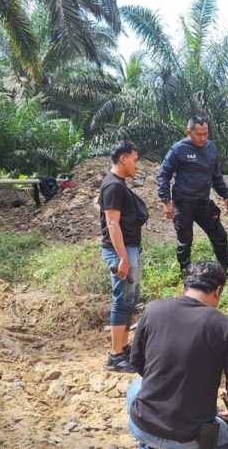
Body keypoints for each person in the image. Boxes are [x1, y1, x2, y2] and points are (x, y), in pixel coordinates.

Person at [127, 261, 228, 449]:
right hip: (189, 438)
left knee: (136, 387)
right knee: (226, 435)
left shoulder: (154, 309)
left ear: (185, 286)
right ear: (218, 290)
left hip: (143, 426)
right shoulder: (227, 327)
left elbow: (137, 362)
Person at [158, 115, 228, 275]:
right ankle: (185, 273)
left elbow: (216, 175)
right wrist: (166, 201)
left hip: (203, 202)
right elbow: (164, 174)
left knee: (219, 235)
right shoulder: (178, 149)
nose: (203, 138)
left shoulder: (211, 148)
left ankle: (226, 268)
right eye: (199, 134)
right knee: (185, 241)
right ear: (188, 132)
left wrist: (225, 194)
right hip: (183, 202)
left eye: (206, 134)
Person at [99, 141, 148, 373]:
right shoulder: (113, 186)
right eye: (134, 160)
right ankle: (115, 355)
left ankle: (123, 348)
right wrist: (123, 258)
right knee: (122, 299)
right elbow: (112, 223)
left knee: (130, 298)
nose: (136, 165)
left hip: (128, 248)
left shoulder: (117, 185)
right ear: (123, 159)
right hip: (121, 250)